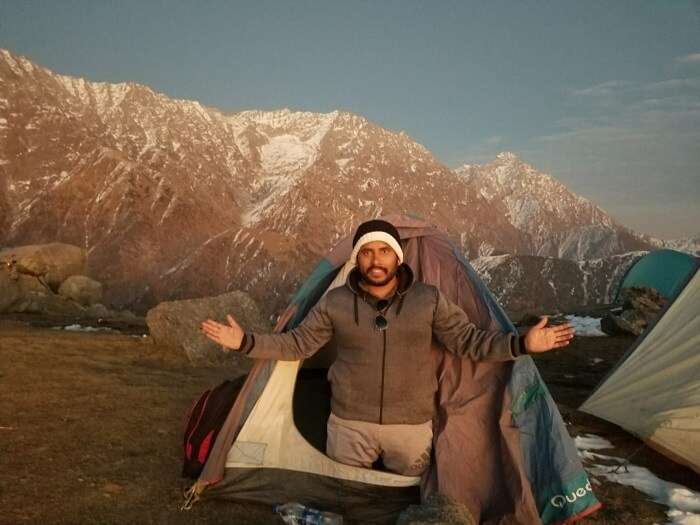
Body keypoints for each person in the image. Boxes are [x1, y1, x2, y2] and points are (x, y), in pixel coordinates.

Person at [201, 219, 574, 476]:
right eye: (366, 252)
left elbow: (469, 341)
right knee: (349, 498)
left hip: (410, 428)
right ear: (356, 259)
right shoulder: (335, 303)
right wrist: (245, 342)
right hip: (348, 424)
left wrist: (523, 342)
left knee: (404, 501)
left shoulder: (429, 300)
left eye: (383, 251)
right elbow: (298, 343)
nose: (375, 260)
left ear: (398, 257)